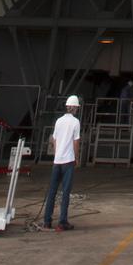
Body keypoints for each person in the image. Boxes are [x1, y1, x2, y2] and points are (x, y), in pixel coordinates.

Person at [43, 94, 81, 231]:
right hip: (68, 161)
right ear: (75, 108)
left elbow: (54, 139)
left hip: (57, 161)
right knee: (65, 192)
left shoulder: (59, 121)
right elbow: (76, 142)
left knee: (52, 192)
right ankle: (62, 221)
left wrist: (57, 154)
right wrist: (77, 158)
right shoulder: (75, 122)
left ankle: (47, 221)